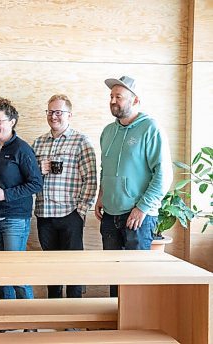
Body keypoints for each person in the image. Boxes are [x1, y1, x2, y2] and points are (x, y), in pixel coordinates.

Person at [94, 76, 173, 297]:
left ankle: (136, 329)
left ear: (135, 100)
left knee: (136, 278)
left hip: (138, 216)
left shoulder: (151, 129)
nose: (112, 101)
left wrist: (142, 208)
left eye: (118, 96)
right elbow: (105, 168)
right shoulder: (108, 132)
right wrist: (101, 195)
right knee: (113, 276)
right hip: (110, 214)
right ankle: (115, 326)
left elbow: (164, 174)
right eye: (111, 96)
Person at [32, 94, 97, 299]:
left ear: (69, 115)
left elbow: (92, 178)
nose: (54, 116)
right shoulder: (38, 143)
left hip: (70, 214)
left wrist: (81, 210)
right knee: (50, 267)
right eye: (50, 112)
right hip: (44, 214)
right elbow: (29, 178)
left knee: (73, 267)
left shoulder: (81, 141)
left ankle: (74, 313)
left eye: (58, 112)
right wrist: (38, 170)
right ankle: (54, 308)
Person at [0, 98, 42, 301]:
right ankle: (5, 316)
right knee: (0, 273)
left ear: (12, 122)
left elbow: (36, 184)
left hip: (15, 219)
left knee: (16, 272)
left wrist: (5, 194)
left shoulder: (22, 149)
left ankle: (29, 320)